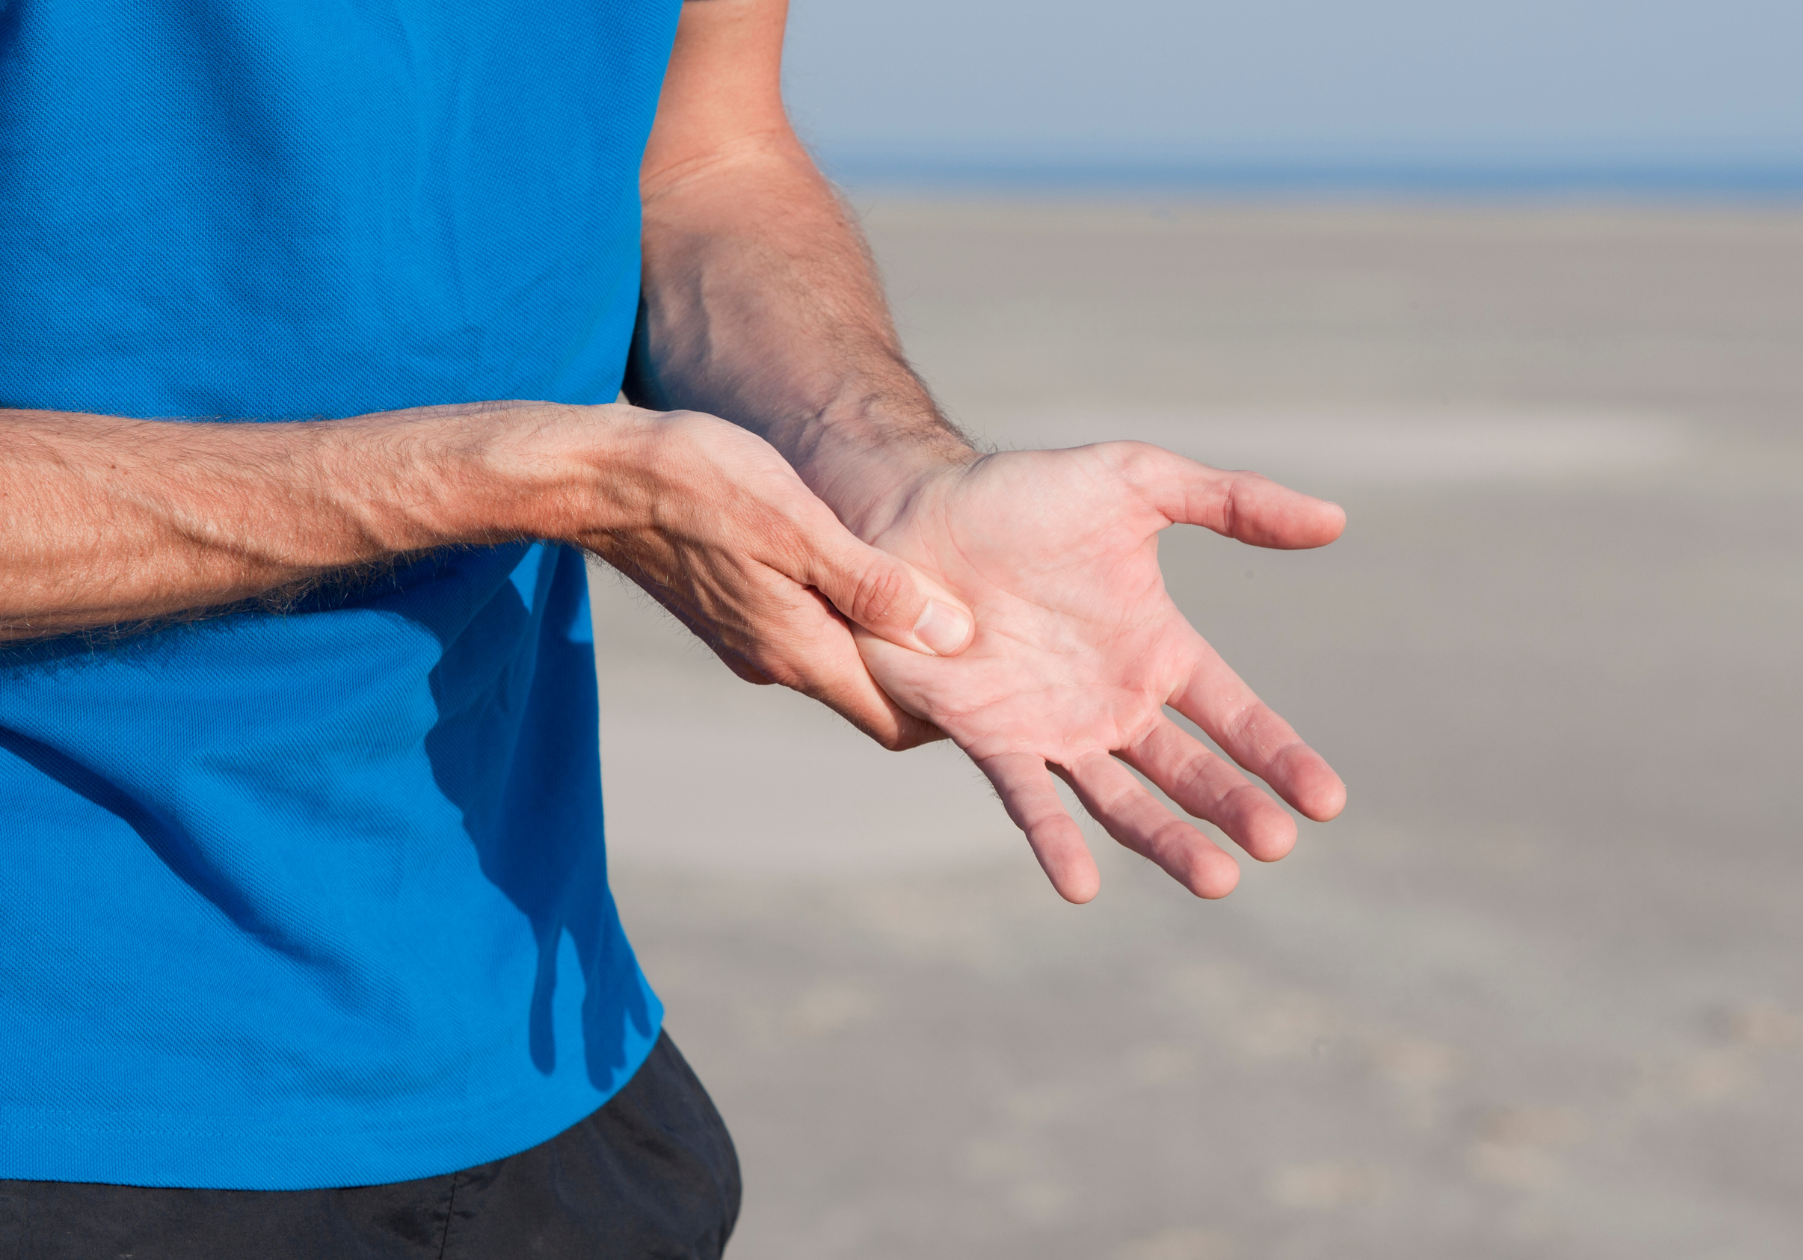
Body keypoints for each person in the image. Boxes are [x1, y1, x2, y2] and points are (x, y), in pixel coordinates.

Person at [0, 0, 1346, 1253]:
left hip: (530, 1037)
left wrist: (886, 467)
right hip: (61, 1078)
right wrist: (514, 477)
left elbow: (701, 162)